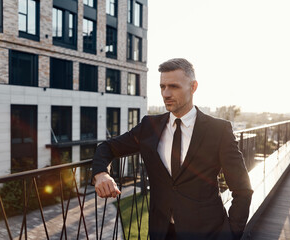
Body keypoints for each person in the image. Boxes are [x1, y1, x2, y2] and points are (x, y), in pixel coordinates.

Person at [92, 58, 253, 240]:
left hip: (207, 232)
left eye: (174, 87)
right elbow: (107, 147)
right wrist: (101, 174)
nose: (166, 93)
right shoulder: (149, 126)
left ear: (193, 87)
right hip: (161, 232)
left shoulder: (218, 130)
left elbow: (242, 190)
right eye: (162, 87)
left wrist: (230, 235)